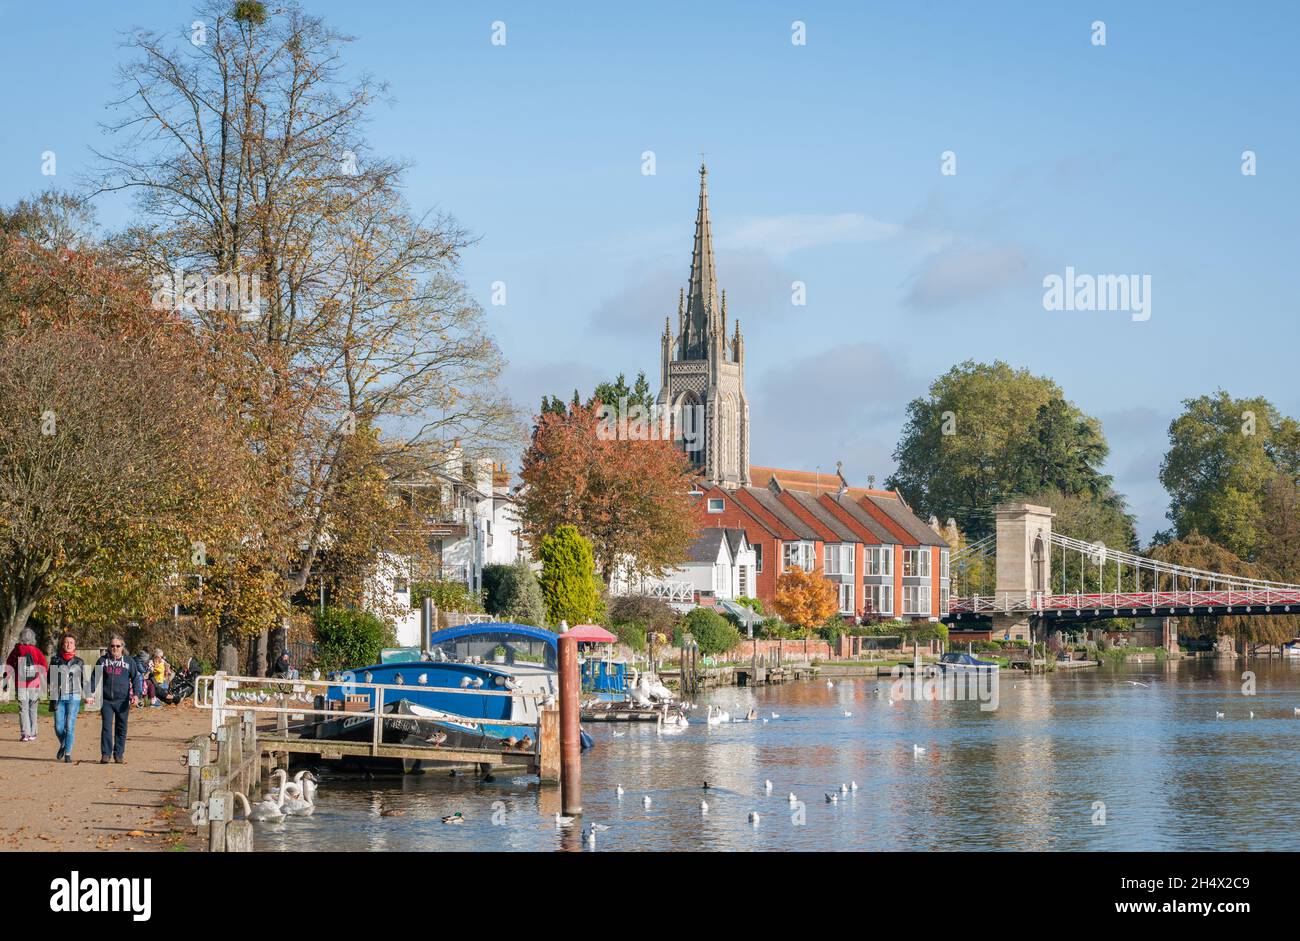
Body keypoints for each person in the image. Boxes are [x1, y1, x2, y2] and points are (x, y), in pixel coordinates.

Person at [88, 635, 143, 764]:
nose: (115, 648)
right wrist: (89, 694)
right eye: (112, 646)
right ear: (109, 647)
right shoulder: (102, 661)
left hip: (122, 701)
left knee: (121, 727)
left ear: (122, 647)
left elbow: (135, 678)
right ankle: (106, 754)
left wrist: (136, 694)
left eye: (118, 646)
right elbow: (94, 678)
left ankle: (119, 754)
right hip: (106, 700)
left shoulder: (129, 662)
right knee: (106, 727)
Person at [6, 628, 48, 742]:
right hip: (34, 684)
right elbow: (44, 666)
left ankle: (25, 734)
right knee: (33, 709)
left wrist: (6, 679)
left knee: (23, 709)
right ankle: (33, 733)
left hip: (21, 684)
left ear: (21, 637)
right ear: (33, 638)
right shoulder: (37, 651)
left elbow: (9, 665)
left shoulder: (16, 650)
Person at [49, 633, 85, 762]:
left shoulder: (79, 662)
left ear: (75, 646)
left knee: (69, 726)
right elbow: (50, 679)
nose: (68, 644)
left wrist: (88, 695)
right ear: (62, 644)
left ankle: (68, 753)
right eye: (66, 642)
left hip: (74, 696)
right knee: (58, 727)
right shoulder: (55, 660)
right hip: (58, 696)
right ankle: (63, 744)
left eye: (71, 642)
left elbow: (83, 680)